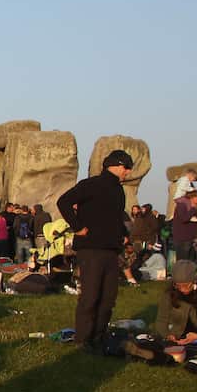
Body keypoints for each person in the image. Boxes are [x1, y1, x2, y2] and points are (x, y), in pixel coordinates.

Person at [57, 149, 132, 351]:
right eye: (126, 168)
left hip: (112, 250)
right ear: (115, 165)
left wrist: (124, 234)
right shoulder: (91, 184)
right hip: (91, 249)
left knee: (108, 298)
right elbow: (63, 202)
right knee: (90, 296)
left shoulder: (119, 190)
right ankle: (83, 340)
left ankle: (99, 337)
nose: (128, 172)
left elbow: (115, 217)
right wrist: (77, 226)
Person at [153, 260, 197, 345]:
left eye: (186, 285)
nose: (182, 289)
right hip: (178, 337)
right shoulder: (169, 294)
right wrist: (167, 335)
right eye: (178, 285)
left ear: (194, 281)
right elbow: (161, 320)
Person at [170, 189, 197, 265]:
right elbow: (184, 218)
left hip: (189, 238)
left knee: (189, 261)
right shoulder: (182, 205)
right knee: (183, 260)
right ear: (193, 197)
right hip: (183, 238)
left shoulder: (189, 206)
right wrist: (193, 209)